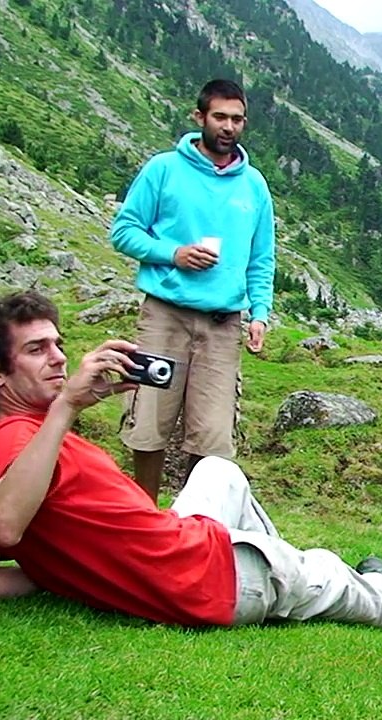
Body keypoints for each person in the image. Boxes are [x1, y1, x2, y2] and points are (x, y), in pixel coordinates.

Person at [0, 290, 382, 630]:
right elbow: (5, 527)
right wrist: (66, 407)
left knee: (218, 472)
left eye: (57, 344)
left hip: (178, 544)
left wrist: (77, 571)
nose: (58, 359)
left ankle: (280, 570)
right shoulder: (19, 438)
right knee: (331, 574)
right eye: (36, 351)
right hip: (200, 577)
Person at [111, 78, 276, 501]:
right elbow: (124, 231)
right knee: (149, 420)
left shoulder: (254, 186)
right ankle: (144, 517)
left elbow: (261, 258)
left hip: (223, 325)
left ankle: (191, 525)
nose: (228, 127)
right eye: (220, 117)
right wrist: (174, 253)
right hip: (164, 316)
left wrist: (259, 313)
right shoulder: (164, 169)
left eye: (237, 119)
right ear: (199, 117)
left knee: (212, 438)